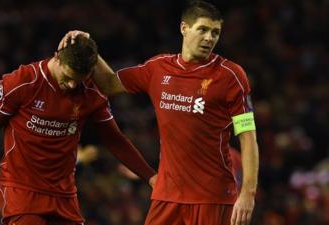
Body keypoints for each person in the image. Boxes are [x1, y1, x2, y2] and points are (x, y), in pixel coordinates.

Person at [61, 1, 259, 225]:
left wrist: (248, 193)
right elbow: (108, 83)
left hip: (211, 197)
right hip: (167, 195)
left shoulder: (231, 76)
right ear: (184, 28)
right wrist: (87, 46)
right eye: (202, 29)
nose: (209, 38)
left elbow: (248, 137)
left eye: (215, 32)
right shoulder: (158, 68)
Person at [0, 36, 157, 225]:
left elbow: (114, 139)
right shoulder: (21, 82)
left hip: (65, 195)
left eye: (79, 80)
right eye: (68, 77)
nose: (72, 85)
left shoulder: (91, 92)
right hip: (22, 192)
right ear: (57, 58)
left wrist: (151, 177)